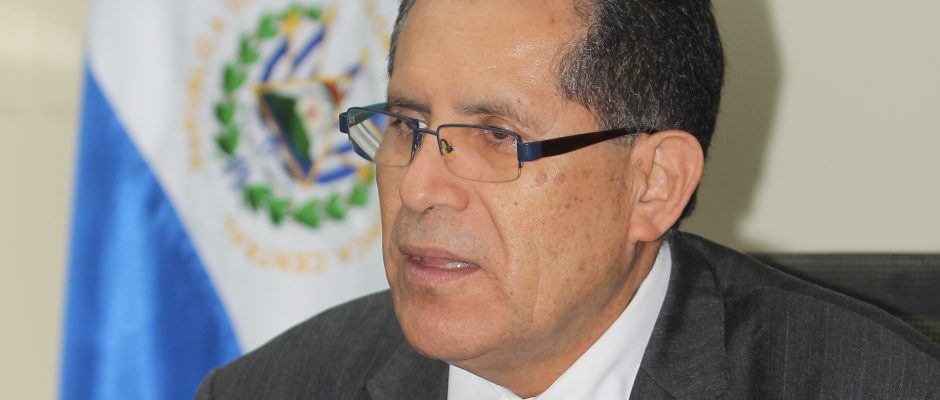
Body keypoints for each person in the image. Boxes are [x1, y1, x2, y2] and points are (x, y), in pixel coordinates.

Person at [196, 0, 940, 398]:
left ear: (654, 184)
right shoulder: (269, 390)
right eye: (406, 126)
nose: (418, 186)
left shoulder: (879, 387)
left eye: (495, 136)